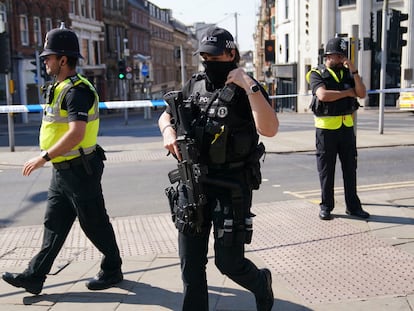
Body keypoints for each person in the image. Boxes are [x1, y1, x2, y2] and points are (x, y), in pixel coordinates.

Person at [159, 26, 279, 311]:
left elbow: (270, 128)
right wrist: (167, 132)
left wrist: (248, 84)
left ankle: (261, 282)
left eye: (216, 56)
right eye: (205, 57)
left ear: (231, 54)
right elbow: (166, 115)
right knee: (191, 263)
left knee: (229, 262)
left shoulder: (247, 88)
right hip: (194, 183)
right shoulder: (194, 84)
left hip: (231, 185)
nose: (210, 62)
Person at [2, 24, 123, 294]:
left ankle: (113, 269)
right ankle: (34, 277)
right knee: (54, 224)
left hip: (80, 170)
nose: (45, 61)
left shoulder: (77, 91)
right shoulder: (59, 87)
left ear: (64, 60)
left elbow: (76, 133)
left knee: (94, 223)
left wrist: (43, 157)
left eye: (49, 57)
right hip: (63, 169)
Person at [306, 37, 370, 221]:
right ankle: (326, 206)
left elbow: (362, 93)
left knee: (350, 168)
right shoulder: (316, 73)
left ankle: (353, 206)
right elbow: (323, 95)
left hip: (346, 128)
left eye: (343, 55)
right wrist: (347, 93)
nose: (342, 59)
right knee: (327, 171)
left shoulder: (348, 73)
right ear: (328, 56)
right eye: (338, 55)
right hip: (326, 130)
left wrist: (355, 71)